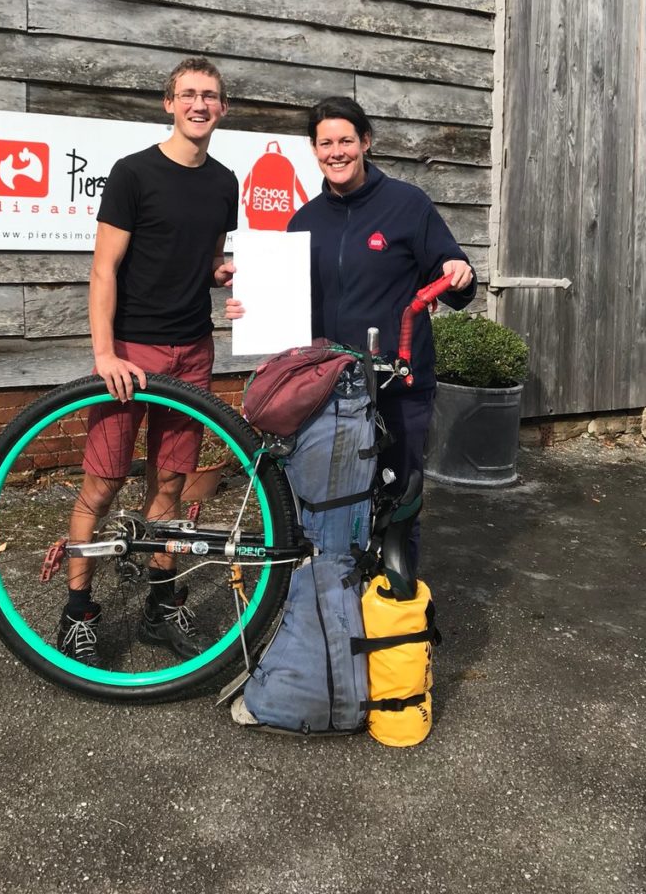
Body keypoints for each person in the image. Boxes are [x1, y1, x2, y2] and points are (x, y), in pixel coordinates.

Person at [226, 95, 476, 575]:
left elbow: (455, 275)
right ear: (314, 150)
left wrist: (458, 272)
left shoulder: (408, 205)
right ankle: (333, 603)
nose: (335, 152)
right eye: (325, 143)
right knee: (328, 498)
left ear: (365, 142)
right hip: (330, 391)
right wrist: (250, 306)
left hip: (398, 385)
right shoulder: (304, 220)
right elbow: (289, 305)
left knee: (399, 501)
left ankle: (393, 611)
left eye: (345, 140)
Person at [57, 56, 238, 666]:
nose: (199, 104)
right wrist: (104, 352)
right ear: (169, 103)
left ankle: (163, 604)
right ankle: (79, 610)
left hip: (192, 349)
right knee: (103, 482)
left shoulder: (224, 181)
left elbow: (209, 261)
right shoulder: (133, 173)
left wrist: (227, 275)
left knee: (172, 483)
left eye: (209, 96)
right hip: (131, 351)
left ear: (222, 107)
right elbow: (103, 268)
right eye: (188, 94)